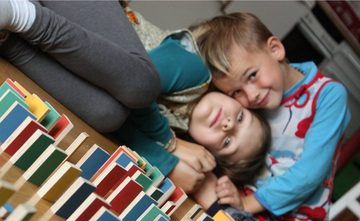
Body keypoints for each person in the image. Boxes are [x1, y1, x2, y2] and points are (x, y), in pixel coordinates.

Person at [192, 12, 354, 221]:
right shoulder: (253, 103)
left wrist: (247, 205)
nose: (250, 96)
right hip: (246, 212)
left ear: (276, 49)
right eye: (236, 92)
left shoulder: (327, 95)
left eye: (251, 76)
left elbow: (309, 175)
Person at [0, 0, 217, 194]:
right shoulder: (198, 75)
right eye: (250, 76)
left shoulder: (183, 121)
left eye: (226, 144)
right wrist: (166, 148)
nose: (252, 96)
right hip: (127, 77)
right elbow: (138, 85)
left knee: (108, 114)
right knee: (140, 87)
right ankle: (16, 14)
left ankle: (9, 28)